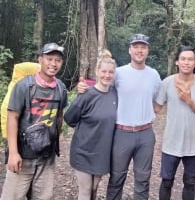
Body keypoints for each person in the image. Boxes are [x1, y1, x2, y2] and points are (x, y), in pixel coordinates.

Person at [77, 33, 161, 200]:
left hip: (145, 134)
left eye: (143, 47)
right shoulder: (119, 73)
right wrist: (85, 87)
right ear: (130, 50)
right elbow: (103, 87)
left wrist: (145, 111)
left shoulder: (154, 75)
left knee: (143, 180)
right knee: (116, 178)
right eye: (136, 47)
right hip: (121, 133)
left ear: (147, 51)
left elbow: (158, 103)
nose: (139, 50)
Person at [0, 43, 68, 200]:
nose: (53, 63)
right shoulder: (24, 86)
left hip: (46, 158)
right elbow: (12, 117)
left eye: (57, 60)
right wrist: (13, 153)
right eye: (49, 58)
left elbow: (59, 116)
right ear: (40, 60)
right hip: (23, 157)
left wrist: (55, 142)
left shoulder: (61, 89)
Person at [154, 46, 195, 200]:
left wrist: (189, 101)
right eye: (183, 59)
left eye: (190, 59)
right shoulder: (167, 83)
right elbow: (156, 108)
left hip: (193, 143)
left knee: (189, 182)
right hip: (171, 142)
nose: (186, 62)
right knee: (166, 182)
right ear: (177, 61)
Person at [64, 51, 118, 200]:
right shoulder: (87, 94)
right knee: (86, 190)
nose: (107, 75)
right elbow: (69, 118)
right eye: (104, 71)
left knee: (94, 189)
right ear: (97, 72)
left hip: (102, 152)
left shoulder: (115, 94)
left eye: (110, 72)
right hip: (83, 150)